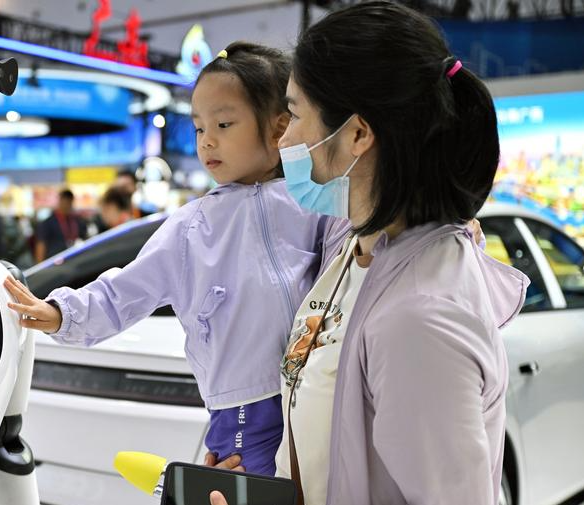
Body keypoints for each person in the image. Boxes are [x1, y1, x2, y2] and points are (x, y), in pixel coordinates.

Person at [208, 3, 529, 505]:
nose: (284, 138)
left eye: (295, 114)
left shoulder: (418, 319)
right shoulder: (360, 247)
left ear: (357, 133)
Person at [3, 42, 348, 477]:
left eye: (223, 124)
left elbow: (348, 270)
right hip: (245, 407)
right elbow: (123, 292)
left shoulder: (313, 202)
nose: (207, 141)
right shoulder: (190, 227)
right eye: (199, 128)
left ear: (281, 127)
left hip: (319, 389)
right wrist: (61, 314)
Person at [34, 189, 88, 262]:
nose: (66, 205)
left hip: (74, 260)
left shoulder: (77, 221)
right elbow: (41, 246)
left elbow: (84, 239)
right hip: (54, 261)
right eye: (64, 201)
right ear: (60, 201)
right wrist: (40, 265)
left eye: (69, 202)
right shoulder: (47, 223)